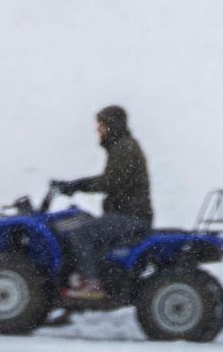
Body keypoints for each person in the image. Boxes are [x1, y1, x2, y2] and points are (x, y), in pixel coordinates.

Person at [55, 104, 152, 297]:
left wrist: (77, 185)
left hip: (130, 217)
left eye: (101, 124)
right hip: (127, 214)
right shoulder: (122, 146)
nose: (98, 129)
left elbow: (111, 182)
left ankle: (93, 284)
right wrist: (75, 185)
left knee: (80, 233)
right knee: (79, 225)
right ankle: (80, 276)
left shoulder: (125, 148)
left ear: (112, 125)